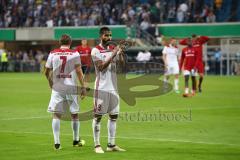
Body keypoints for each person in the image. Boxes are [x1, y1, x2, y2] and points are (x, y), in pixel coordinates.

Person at [45, 34, 86, 150]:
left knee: (56, 114)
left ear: (59, 42)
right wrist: (83, 87)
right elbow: (78, 71)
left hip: (57, 87)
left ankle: (57, 143)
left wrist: (50, 83)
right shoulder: (74, 53)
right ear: (70, 42)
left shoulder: (53, 53)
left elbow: (46, 71)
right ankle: (75, 140)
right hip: (71, 87)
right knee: (74, 114)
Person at [91, 27, 126, 153]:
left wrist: (120, 53)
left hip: (114, 88)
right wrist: (113, 53)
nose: (109, 38)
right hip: (101, 89)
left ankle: (111, 145)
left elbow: (121, 67)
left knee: (114, 116)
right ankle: (97, 145)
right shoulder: (95, 50)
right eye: (106, 35)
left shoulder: (113, 49)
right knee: (98, 117)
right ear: (101, 36)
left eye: (110, 35)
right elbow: (101, 67)